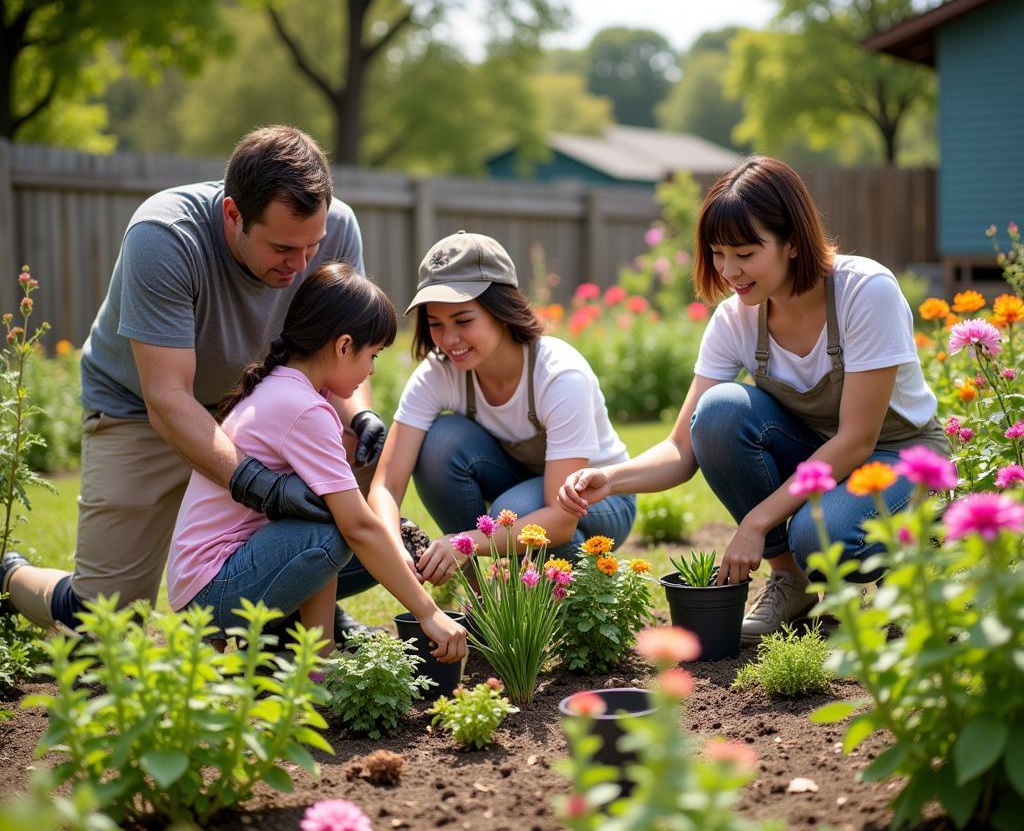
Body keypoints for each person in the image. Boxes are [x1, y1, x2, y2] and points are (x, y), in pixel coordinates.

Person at [1, 126, 388, 635]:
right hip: (140, 409)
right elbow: (167, 400)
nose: (300, 266)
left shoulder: (337, 227)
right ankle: (11, 576)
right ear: (233, 214)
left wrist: (359, 413)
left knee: (352, 464)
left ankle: (304, 610)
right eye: (282, 248)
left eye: (312, 247)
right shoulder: (164, 236)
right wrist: (260, 486)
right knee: (102, 627)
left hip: (260, 411)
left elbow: (342, 348)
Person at [558, 156, 949, 645]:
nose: (727, 271)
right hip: (817, 453)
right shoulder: (735, 320)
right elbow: (684, 448)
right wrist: (609, 479)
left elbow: (856, 440)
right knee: (719, 411)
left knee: (819, 536)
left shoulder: (864, 291)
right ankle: (792, 582)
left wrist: (757, 522)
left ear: (791, 242)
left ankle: (917, 551)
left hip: (899, 455)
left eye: (744, 253)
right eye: (718, 253)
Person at [167, 262, 466, 662]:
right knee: (335, 525)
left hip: (213, 579)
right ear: (343, 346)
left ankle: (301, 652)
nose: (372, 370)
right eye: (372, 355)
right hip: (213, 593)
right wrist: (428, 614)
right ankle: (307, 662)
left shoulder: (289, 390)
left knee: (371, 534)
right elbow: (355, 525)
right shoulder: (304, 409)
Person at [369, 230, 636, 585]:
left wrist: (465, 543)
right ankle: (479, 594)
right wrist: (391, 543)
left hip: (598, 498)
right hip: (523, 482)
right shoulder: (437, 373)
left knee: (515, 511)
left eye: (464, 321)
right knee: (440, 442)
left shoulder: (559, 374)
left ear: (502, 310)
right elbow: (386, 483)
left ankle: (582, 582)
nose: (449, 340)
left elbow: (561, 516)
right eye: (436, 324)